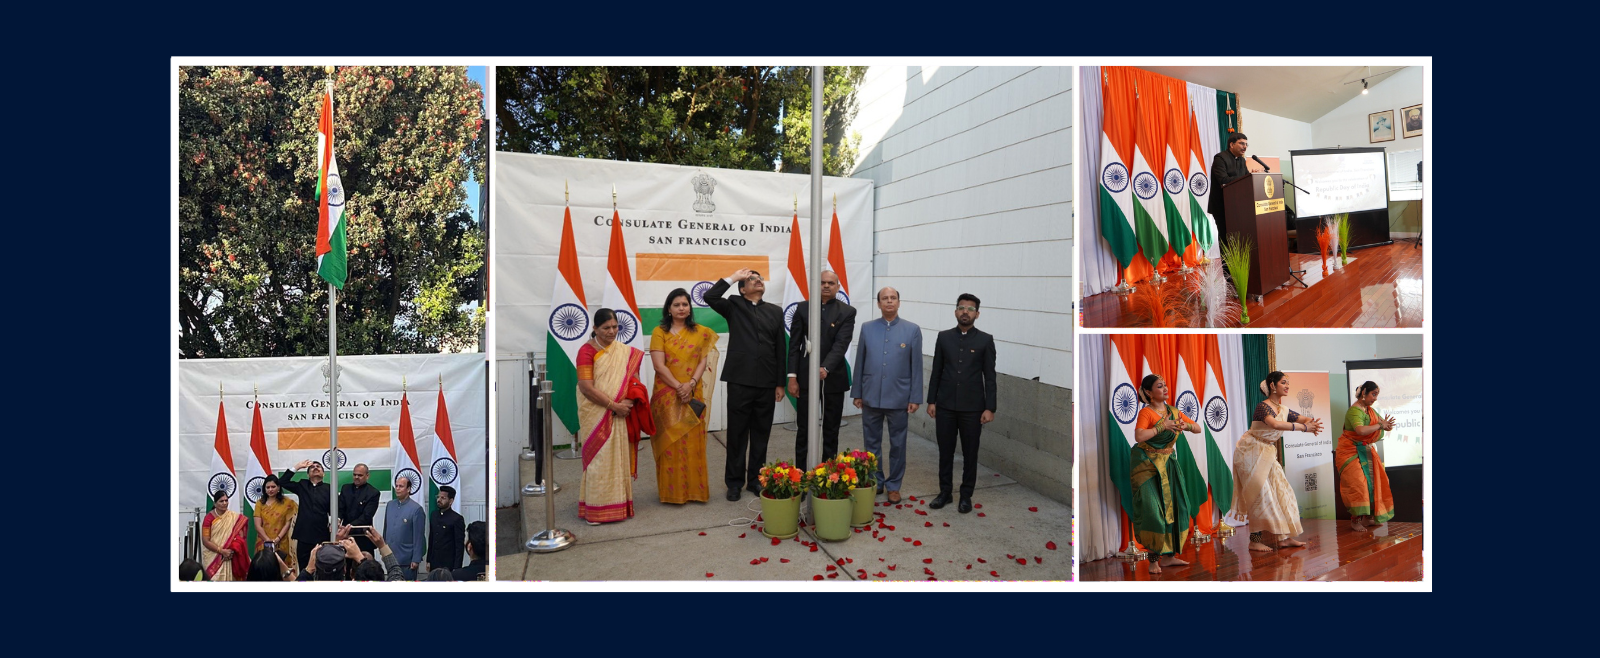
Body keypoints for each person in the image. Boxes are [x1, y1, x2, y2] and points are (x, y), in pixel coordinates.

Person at [704, 269, 786, 501]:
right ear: (742, 288)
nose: (758, 281)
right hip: (740, 380)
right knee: (738, 434)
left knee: (761, 434)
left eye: (760, 279)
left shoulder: (775, 311)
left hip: (767, 382)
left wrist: (779, 383)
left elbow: (781, 349)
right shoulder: (734, 305)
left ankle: (755, 481)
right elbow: (709, 297)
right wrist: (733, 277)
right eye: (751, 279)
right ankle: (734, 483)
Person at [577, 308, 653, 524]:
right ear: (595, 329)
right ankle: (596, 510)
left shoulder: (625, 352)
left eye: (615, 327)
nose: (612, 331)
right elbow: (586, 388)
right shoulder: (586, 351)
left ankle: (618, 506)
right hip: (596, 412)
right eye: (606, 328)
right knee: (598, 459)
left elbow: (634, 380)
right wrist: (614, 406)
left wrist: (627, 402)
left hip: (621, 410)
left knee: (617, 458)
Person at [1232, 371, 1323, 552]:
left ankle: (1285, 538)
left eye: (1288, 383)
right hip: (1250, 452)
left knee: (1283, 491)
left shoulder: (1284, 410)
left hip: (1266, 452)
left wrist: (1312, 423)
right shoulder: (1263, 407)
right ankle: (1254, 540)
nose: (1287, 386)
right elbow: (1275, 424)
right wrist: (1304, 427)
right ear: (1272, 386)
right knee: (1261, 495)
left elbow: (1301, 418)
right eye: (1283, 382)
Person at [926, 294, 997, 513]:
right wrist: (931, 400)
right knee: (945, 451)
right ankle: (945, 492)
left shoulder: (985, 340)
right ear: (955, 311)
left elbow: (990, 376)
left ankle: (966, 495)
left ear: (977, 314)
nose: (965, 311)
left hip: (973, 408)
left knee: (970, 453)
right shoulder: (944, 337)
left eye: (970, 308)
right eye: (961, 307)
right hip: (945, 405)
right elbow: (936, 370)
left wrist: (990, 407)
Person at [852, 287, 922, 504]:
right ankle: (876, 482)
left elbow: (916, 367)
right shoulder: (867, 328)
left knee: (898, 444)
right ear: (878, 304)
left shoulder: (912, 330)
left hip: (899, 398)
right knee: (871, 444)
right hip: (871, 395)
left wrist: (915, 397)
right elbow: (860, 361)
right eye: (885, 298)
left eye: (893, 298)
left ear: (899, 303)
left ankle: (894, 485)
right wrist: (858, 392)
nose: (889, 302)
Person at [648, 288, 717, 504]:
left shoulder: (702, 332)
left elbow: (702, 362)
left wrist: (691, 384)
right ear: (669, 308)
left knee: (693, 441)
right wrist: (680, 387)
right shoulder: (659, 332)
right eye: (676, 304)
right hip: (667, 395)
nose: (681, 308)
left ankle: (695, 491)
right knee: (670, 444)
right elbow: (659, 366)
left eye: (685, 304)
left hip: (693, 394)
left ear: (690, 308)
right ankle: (672, 493)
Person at [1131, 374, 1202, 574]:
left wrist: (1184, 425)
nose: (1165, 389)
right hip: (1148, 466)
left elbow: (1197, 428)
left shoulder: (1173, 411)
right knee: (1154, 512)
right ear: (1148, 392)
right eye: (1159, 386)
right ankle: (1154, 560)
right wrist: (1162, 426)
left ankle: (1169, 557)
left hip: (1169, 465)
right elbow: (1139, 436)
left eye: (1165, 385)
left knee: (1179, 507)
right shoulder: (1147, 413)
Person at [789, 270, 857, 470]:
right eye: (822, 283)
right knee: (804, 430)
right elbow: (794, 345)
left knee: (831, 430)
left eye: (830, 283)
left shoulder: (847, 312)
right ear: (815, 285)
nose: (826, 286)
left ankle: (828, 476)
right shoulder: (802, 309)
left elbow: (841, 344)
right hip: (805, 379)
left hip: (834, 379)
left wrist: (825, 367)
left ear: (837, 286)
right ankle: (800, 474)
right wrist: (792, 377)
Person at [1339, 381, 1398, 532]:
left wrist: (1386, 425)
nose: (1375, 398)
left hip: (1365, 451)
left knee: (1373, 483)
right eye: (1373, 394)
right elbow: (1360, 430)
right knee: (1359, 485)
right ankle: (1355, 520)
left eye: (1377, 395)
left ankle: (1368, 517)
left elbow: (1381, 423)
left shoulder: (1369, 410)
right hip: (1350, 452)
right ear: (1364, 392)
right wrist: (1380, 425)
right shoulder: (1355, 411)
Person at [278, 459, 331, 571]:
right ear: (308, 474)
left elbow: (336, 509)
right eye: (312, 467)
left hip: (322, 535)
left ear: (323, 473)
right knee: (304, 568)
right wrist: (297, 467)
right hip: (304, 536)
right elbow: (282, 482)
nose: (315, 467)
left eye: (318, 466)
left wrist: (336, 521)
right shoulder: (302, 485)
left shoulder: (329, 488)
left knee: (323, 567)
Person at [251, 474, 299, 575]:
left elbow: (288, 523)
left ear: (278, 488)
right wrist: (268, 540)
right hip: (263, 542)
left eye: (273, 487)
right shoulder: (260, 503)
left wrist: (277, 539)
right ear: (264, 489)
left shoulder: (287, 502)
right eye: (268, 487)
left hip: (282, 541)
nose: (270, 490)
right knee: (263, 570)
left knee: (282, 571)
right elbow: (257, 525)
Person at [199, 490, 250, 581]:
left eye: (226, 500)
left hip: (230, 555)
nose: (224, 503)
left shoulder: (233, 517)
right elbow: (205, 541)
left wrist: (232, 549)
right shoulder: (209, 518)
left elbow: (240, 536)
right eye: (221, 501)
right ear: (215, 503)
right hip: (214, 556)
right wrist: (222, 551)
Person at [1207, 132, 1252, 237]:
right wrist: (1246, 177)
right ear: (1232, 145)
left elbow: (1245, 179)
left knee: (1239, 236)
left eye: (1246, 144)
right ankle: (1226, 254)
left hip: (1238, 205)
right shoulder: (1220, 158)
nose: (1245, 147)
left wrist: (1252, 176)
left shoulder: (1241, 160)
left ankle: (1239, 254)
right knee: (1226, 236)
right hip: (1222, 206)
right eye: (1241, 143)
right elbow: (1223, 179)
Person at [383, 474, 427, 579]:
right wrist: (383, 551)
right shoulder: (390, 505)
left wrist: (416, 559)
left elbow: (418, 537)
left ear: (408, 489)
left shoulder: (416, 509)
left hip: (406, 560)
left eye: (401, 486)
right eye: (396, 486)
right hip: (390, 557)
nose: (397, 489)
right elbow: (386, 529)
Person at [339, 463, 381, 553]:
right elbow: (340, 508)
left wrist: (348, 526)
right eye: (354, 474)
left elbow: (367, 516)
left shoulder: (373, 493)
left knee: (365, 565)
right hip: (346, 537)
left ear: (367, 476)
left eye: (360, 475)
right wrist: (338, 520)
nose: (356, 477)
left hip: (363, 537)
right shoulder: (345, 488)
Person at [428, 484, 465, 571]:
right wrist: (429, 560)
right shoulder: (434, 515)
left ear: (451, 501)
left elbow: (459, 547)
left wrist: (457, 568)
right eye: (438, 497)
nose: (439, 500)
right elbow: (432, 538)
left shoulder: (457, 519)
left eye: (443, 498)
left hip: (448, 565)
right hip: (434, 563)